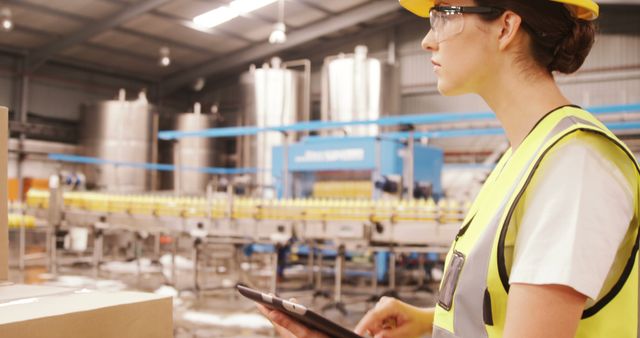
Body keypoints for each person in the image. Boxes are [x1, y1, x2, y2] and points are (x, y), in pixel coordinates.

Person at [257, 0, 640, 337]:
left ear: (506, 27)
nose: (428, 40)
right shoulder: (522, 156)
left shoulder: (575, 165)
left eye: (444, 15)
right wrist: (431, 319)